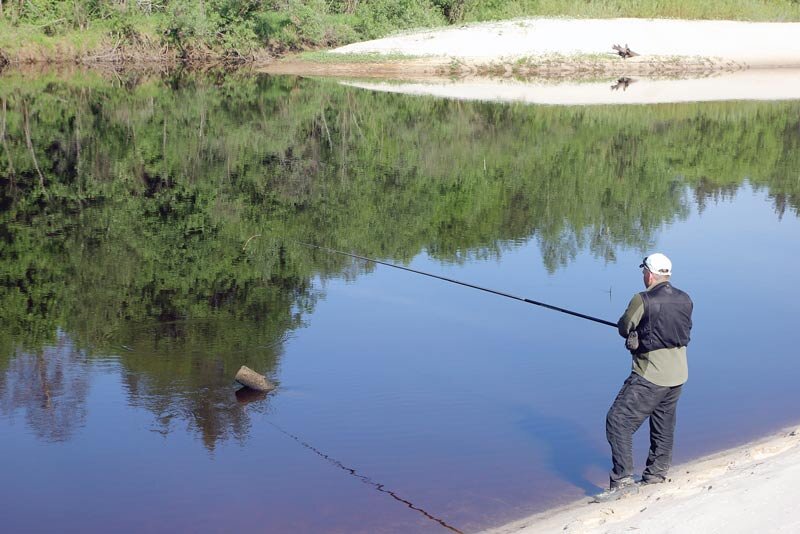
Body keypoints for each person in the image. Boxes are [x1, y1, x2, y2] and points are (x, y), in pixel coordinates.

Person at [593, 253, 693, 503]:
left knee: (618, 421)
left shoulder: (643, 299)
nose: (642, 276)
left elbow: (625, 326)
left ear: (650, 273)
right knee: (663, 424)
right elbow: (674, 330)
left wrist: (633, 333)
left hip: (651, 374)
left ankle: (623, 480)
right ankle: (656, 474)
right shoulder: (685, 299)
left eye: (643, 271)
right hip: (678, 373)